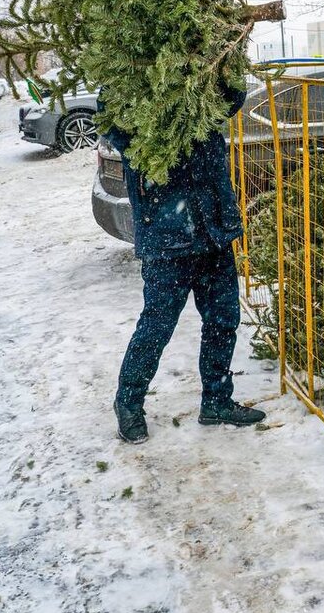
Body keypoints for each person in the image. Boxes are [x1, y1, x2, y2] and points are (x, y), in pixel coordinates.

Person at [106, 81, 266, 444]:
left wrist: (227, 57)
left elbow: (230, 99)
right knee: (156, 327)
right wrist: (158, 116)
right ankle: (128, 402)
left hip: (212, 229)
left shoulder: (199, 75)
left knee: (224, 320)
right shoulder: (131, 75)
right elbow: (114, 124)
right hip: (166, 236)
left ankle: (216, 399)